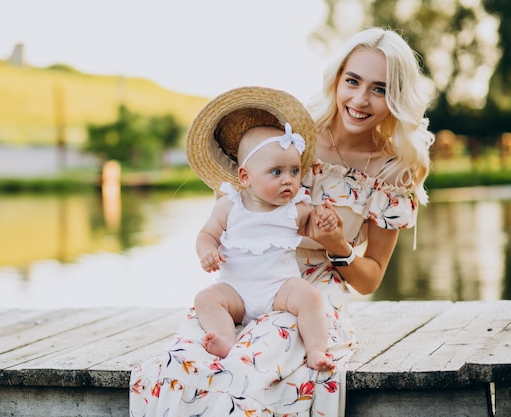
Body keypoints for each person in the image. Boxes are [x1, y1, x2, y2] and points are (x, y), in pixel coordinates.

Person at [130, 27, 434, 417]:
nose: (360, 99)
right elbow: (234, 205)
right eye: (353, 81)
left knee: (257, 360)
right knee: (192, 359)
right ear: (337, 79)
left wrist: (337, 245)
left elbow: (371, 278)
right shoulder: (290, 138)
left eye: (379, 88)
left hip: (313, 293)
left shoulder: (395, 172)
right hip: (248, 278)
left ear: (397, 95)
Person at [194, 122, 336, 371]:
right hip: (236, 292)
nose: (288, 180)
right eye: (276, 172)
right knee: (205, 299)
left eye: (294, 171)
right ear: (245, 177)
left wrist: (326, 218)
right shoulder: (229, 206)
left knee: (310, 297)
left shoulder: (296, 208)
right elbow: (207, 234)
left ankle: (316, 350)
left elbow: (317, 222)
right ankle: (226, 338)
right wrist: (208, 251)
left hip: (280, 288)